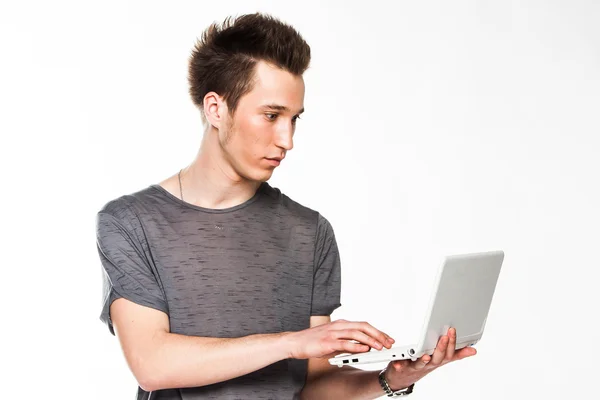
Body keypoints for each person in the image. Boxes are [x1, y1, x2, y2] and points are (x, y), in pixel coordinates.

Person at [95, 12, 476, 400]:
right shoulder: (131, 222)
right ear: (216, 109)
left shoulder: (309, 232)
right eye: (271, 115)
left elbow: (312, 389)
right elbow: (153, 365)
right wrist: (291, 343)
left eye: (294, 119)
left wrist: (391, 378)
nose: (287, 140)